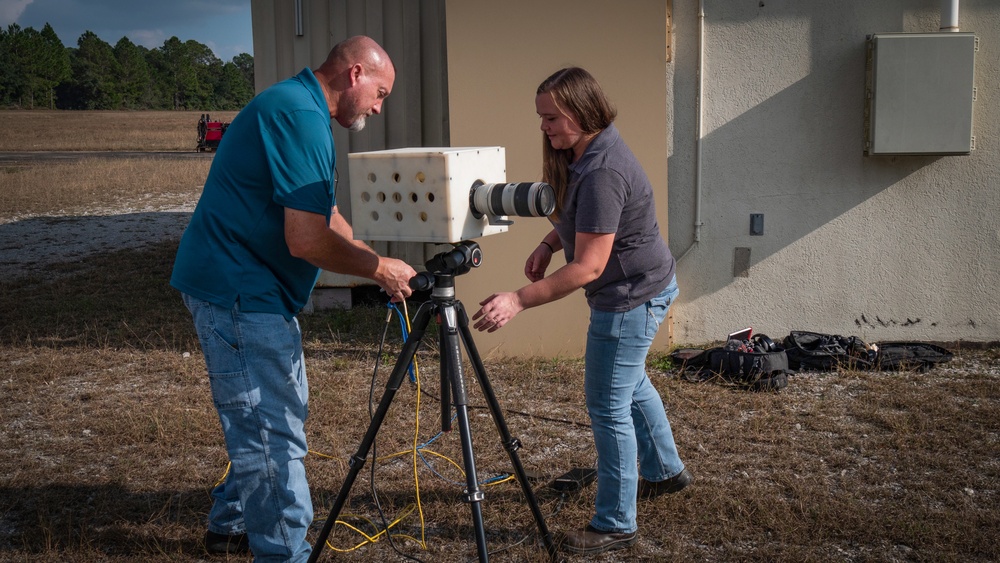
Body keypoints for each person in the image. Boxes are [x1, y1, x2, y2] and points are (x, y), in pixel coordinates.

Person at [170, 36, 416, 561]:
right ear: (355, 73)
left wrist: (376, 262)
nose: (378, 106)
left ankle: (229, 525)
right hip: (238, 291)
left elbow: (324, 215)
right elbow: (305, 239)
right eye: (380, 92)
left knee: (275, 415)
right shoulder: (299, 115)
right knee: (271, 431)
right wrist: (378, 268)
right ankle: (284, 552)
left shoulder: (299, 107)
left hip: (248, 288)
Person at [472, 67, 691, 555]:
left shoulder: (603, 170)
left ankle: (615, 522)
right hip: (648, 282)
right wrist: (550, 242)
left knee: (609, 405)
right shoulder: (586, 152)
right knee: (631, 383)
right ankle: (665, 473)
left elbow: (590, 266)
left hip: (628, 296)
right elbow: (585, 221)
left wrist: (518, 299)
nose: (544, 127)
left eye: (552, 117)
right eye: (541, 118)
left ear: (582, 109)